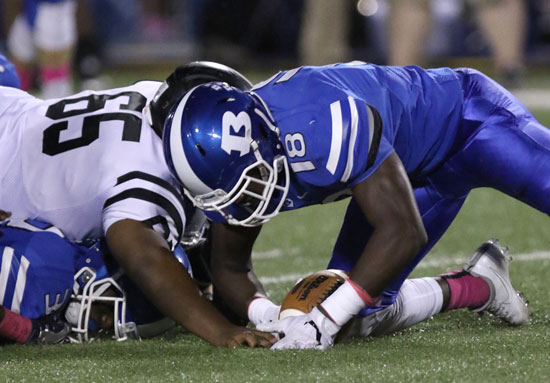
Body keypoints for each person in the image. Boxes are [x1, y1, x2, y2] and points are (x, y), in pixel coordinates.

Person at [161, 61, 540, 349]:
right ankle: (480, 285)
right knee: (359, 318)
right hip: (405, 177)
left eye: (249, 184)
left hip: (470, 125)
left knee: (337, 312)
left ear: (262, 137)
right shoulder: (227, 171)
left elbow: (404, 231)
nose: (245, 202)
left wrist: (324, 319)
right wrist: (269, 316)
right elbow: (229, 265)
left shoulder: (317, 120)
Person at [0, 60, 275, 348]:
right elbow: (145, 258)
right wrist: (221, 331)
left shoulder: (157, 97)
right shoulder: (143, 175)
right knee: (40, 271)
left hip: (12, 112)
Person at [0, 219, 185, 344]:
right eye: (110, 312)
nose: (103, 322)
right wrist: (24, 329)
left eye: (111, 329)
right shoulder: (51, 273)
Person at [5, 0, 77, 98]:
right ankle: (12, 104)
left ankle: (58, 105)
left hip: (52, 7)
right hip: (28, 8)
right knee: (19, 63)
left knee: (53, 64)